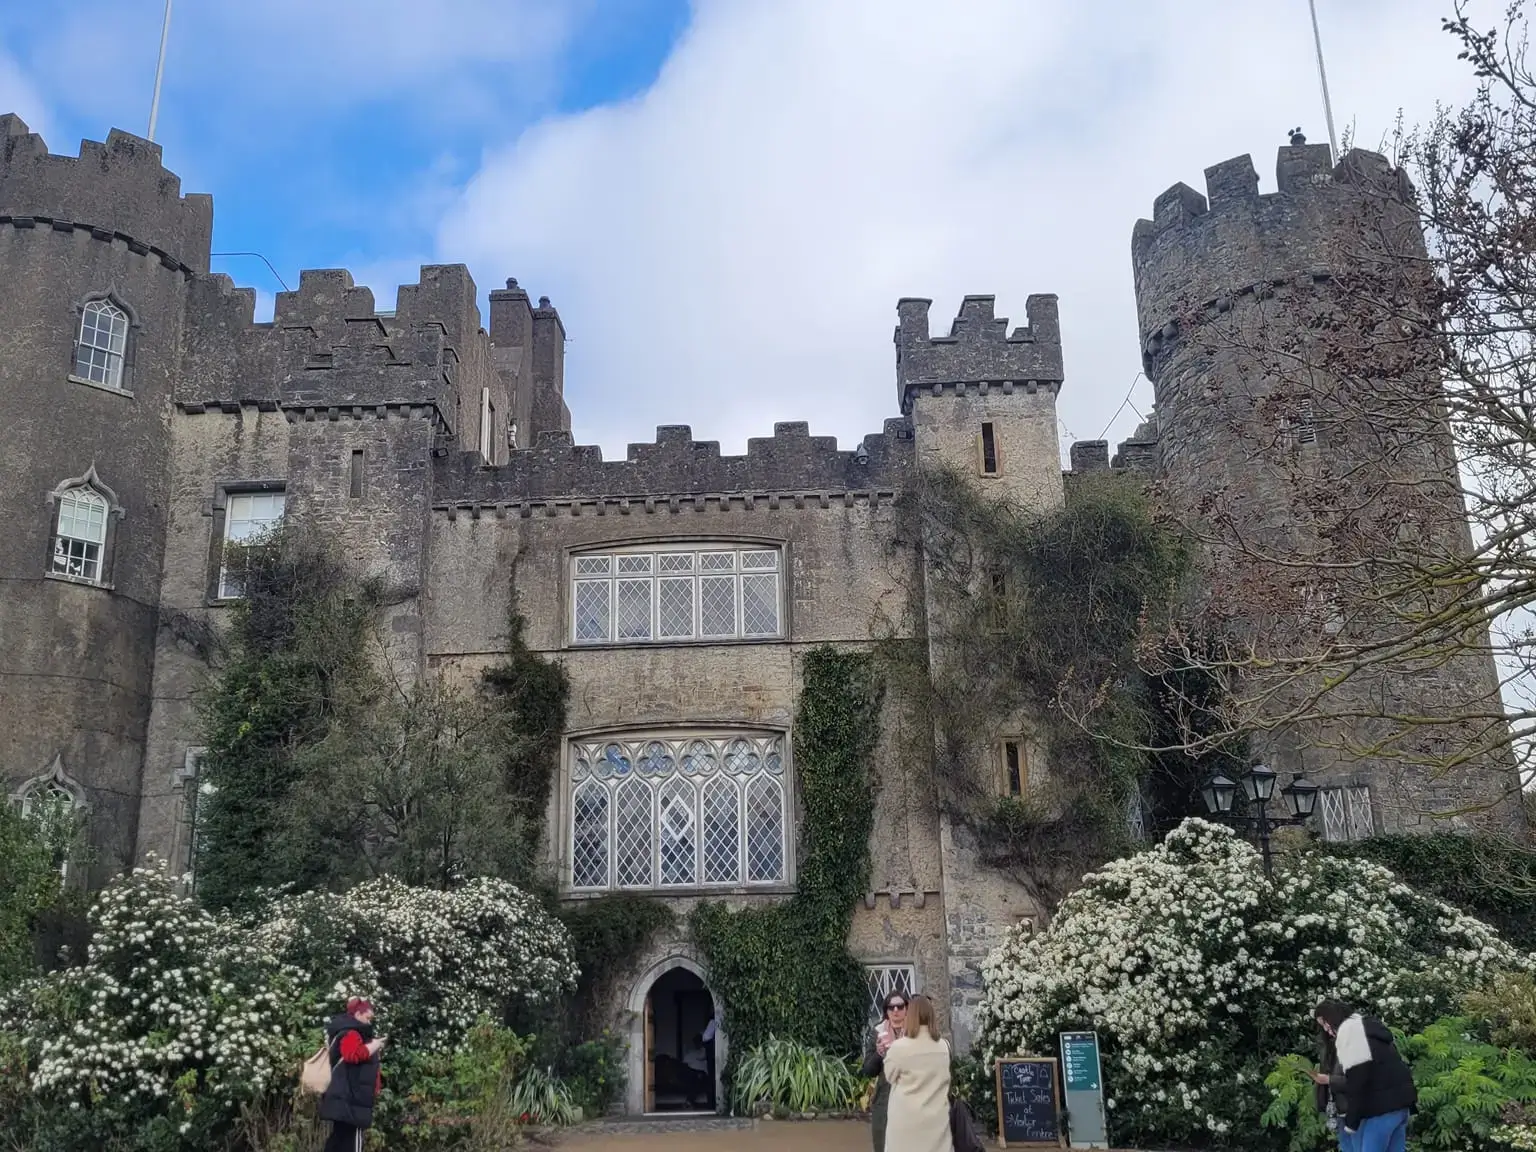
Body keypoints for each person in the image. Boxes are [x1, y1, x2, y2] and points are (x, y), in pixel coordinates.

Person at [1313, 1000, 1416, 1152]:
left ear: (1332, 1019)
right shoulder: (1368, 1028)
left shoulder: (1350, 1034)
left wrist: (1351, 1123)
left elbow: (1358, 1082)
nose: (1327, 1031)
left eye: (1325, 1024)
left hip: (1380, 1110)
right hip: (1401, 1105)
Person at [883, 994, 951, 1152]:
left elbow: (889, 1076)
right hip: (936, 1120)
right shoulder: (944, 1047)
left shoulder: (899, 1048)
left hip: (906, 1120)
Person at [319, 997, 386, 1152]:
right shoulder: (351, 1032)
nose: (369, 1022)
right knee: (352, 1141)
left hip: (345, 1098)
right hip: (351, 1099)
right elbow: (352, 1054)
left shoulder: (345, 1030)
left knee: (339, 1139)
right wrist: (373, 1046)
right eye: (367, 1018)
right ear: (357, 1014)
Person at [861, 991, 908, 1152]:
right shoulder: (878, 1033)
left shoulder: (915, 1033)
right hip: (885, 1100)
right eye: (891, 1007)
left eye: (900, 1007)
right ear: (886, 1011)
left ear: (906, 1009)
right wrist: (878, 1054)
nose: (896, 1011)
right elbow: (868, 1070)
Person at [1309, 1025, 1356, 1152]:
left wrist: (1329, 1080)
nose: (1327, 1029)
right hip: (1337, 1108)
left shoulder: (1353, 1047)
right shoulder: (1327, 1046)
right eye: (1322, 1024)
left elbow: (1357, 1081)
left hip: (1354, 1110)